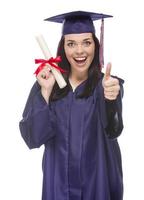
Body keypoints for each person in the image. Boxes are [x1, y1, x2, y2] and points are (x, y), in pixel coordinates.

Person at [19, 11, 124, 200]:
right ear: (63, 48)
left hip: (97, 186)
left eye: (86, 42)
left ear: (96, 45)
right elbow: (32, 137)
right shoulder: (48, 85)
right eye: (71, 44)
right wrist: (45, 92)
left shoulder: (106, 85)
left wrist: (111, 99)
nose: (79, 51)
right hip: (58, 188)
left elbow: (114, 129)